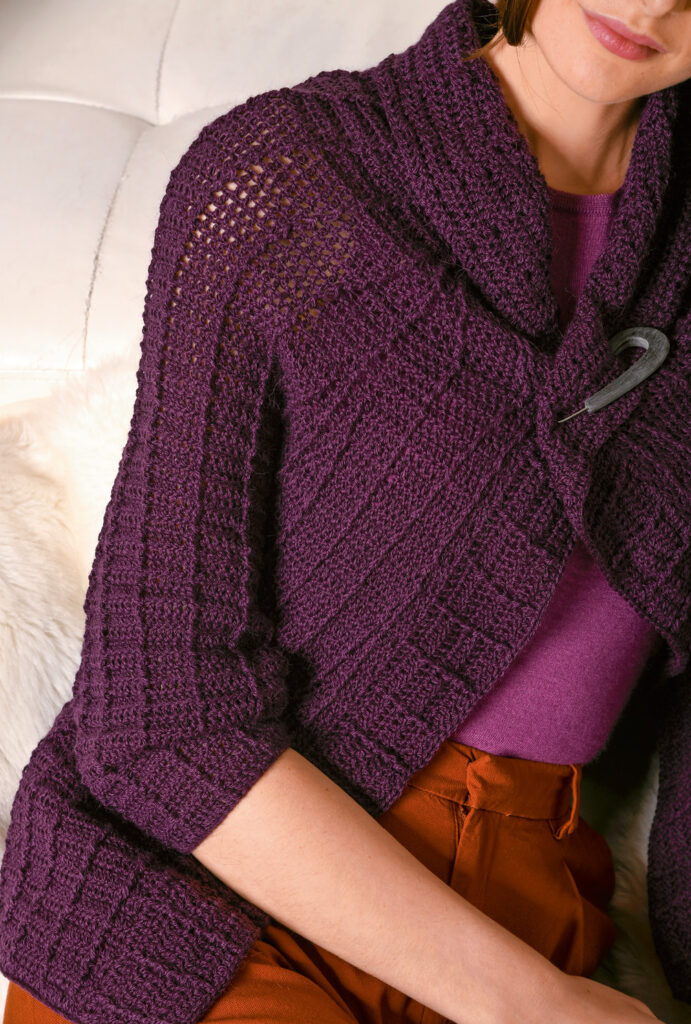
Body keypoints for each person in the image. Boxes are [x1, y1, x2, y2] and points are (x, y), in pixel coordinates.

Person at [1, 0, 690, 1022]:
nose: (652, 3)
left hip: (535, 900)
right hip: (208, 892)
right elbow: (154, 716)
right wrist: (528, 1002)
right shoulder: (286, 177)